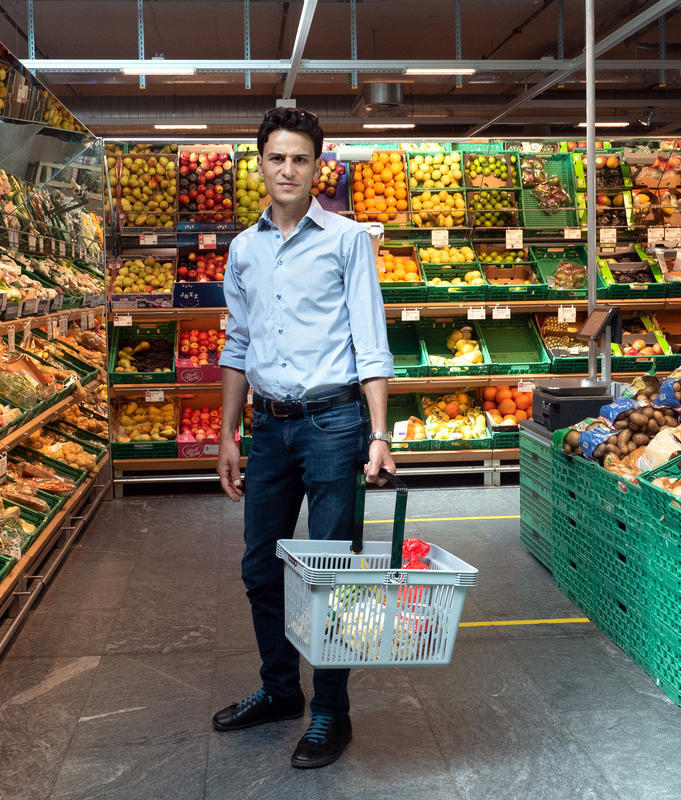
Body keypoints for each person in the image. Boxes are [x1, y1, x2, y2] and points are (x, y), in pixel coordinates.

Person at [212, 106, 396, 769]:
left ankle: (330, 711)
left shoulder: (347, 239)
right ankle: (279, 690)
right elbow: (236, 344)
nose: (286, 169)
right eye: (275, 157)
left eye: (299, 158)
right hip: (269, 428)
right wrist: (229, 433)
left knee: (332, 574)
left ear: (317, 167)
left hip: (333, 424)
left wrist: (378, 433)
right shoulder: (243, 249)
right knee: (260, 568)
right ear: (258, 165)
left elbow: (370, 344)